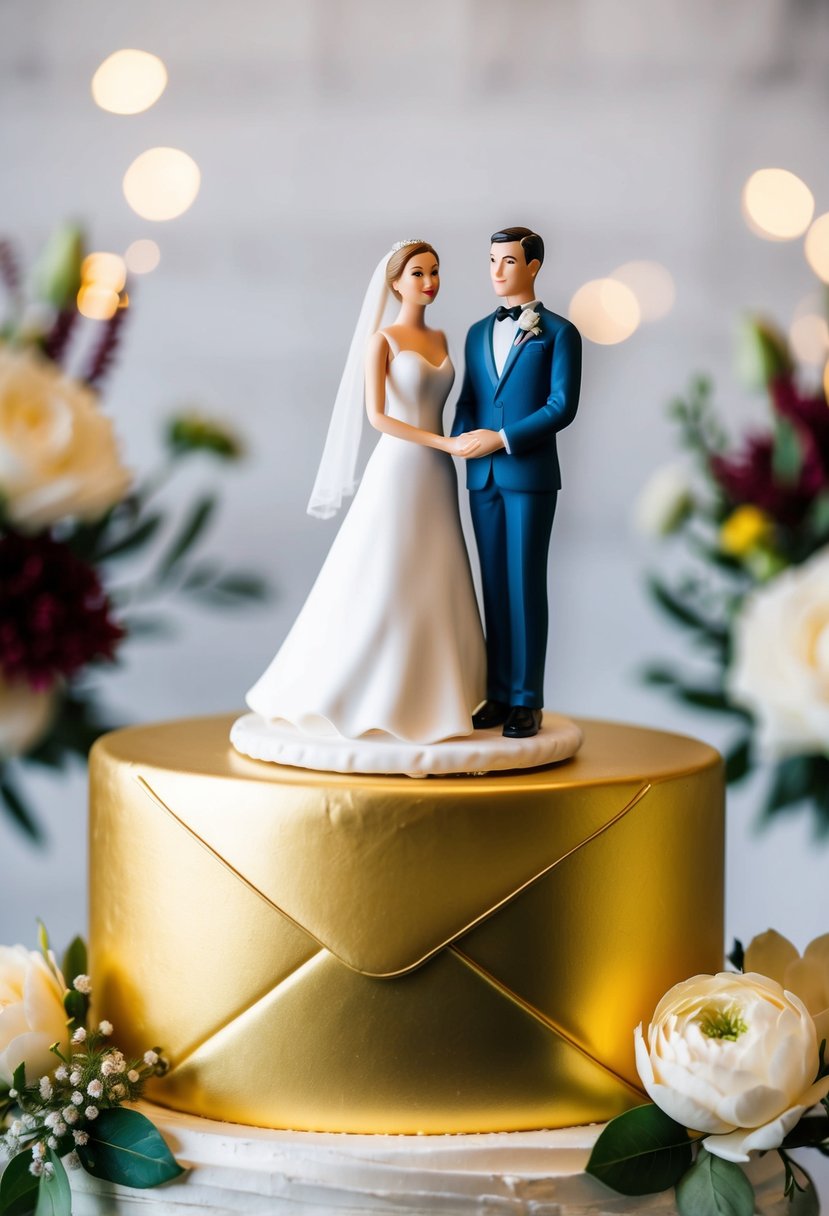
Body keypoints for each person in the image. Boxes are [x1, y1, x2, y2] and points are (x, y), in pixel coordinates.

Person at [245, 241, 486, 743]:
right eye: (418, 273)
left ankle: (441, 694)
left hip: (438, 472)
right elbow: (379, 418)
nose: (429, 282)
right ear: (395, 282)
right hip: (401, 466)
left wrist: (458, 441)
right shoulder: (381, 340)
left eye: (435, 272)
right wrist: (441, 441)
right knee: (387, 568)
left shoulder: (443, 337)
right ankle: (364, 692)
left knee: (435, 568)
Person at [452, 226, 582, 739]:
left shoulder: (559, 332)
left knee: (525, 582)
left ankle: (528, 697)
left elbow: (560, 407)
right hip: (481, 477)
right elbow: (468, 398)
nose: (497, 271)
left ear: (533, 266)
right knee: (493, 585)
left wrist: (501, 438)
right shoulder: (475, 331)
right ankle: (500, 691)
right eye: (491, 260)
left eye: (508, 261)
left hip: (527, 474)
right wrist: (463, 438)